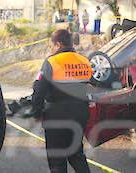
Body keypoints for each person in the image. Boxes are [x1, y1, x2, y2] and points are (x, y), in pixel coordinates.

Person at [31, 29, 93, 173]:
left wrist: (36, 113)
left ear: (58, 44)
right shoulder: (84, 61)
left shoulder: (52, 62)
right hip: (80, 114)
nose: (51, 49)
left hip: (56, 115)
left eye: (52, 46)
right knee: (76, 154)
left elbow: (39, 90)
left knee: (57, 160)